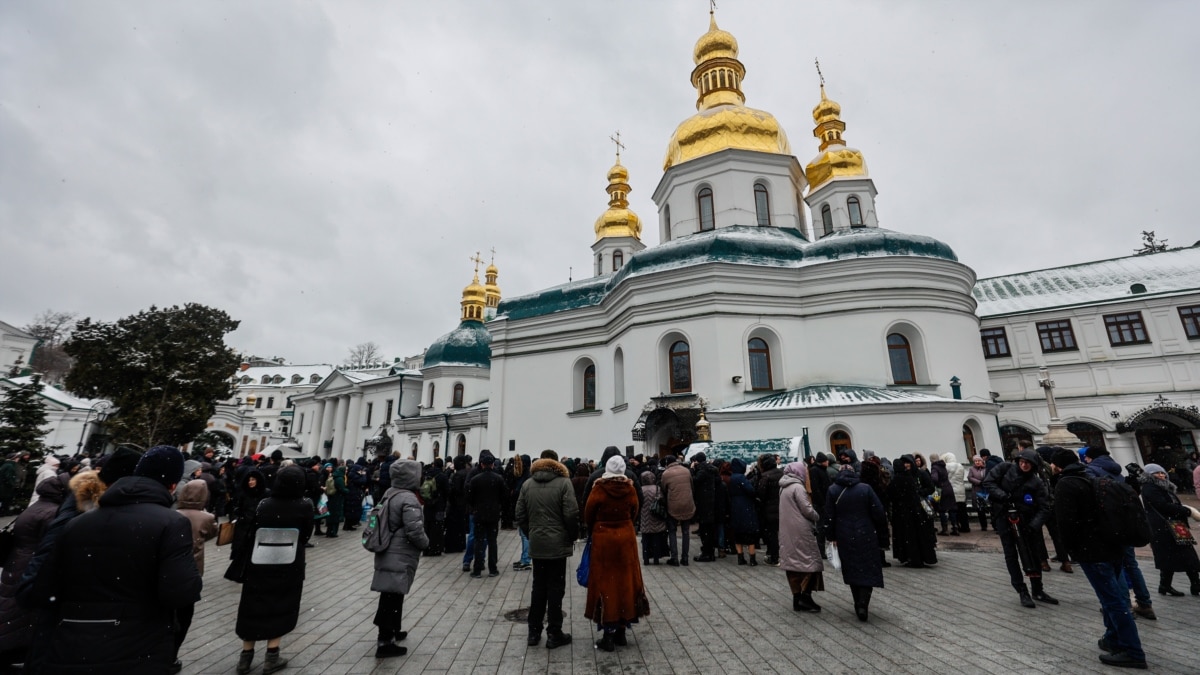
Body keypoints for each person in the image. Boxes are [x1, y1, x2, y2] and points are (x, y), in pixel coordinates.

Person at [37, 446, 203, 673]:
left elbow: (43, 587)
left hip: (71, 644)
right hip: (136, 647)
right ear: (173, 486)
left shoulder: (79, 522)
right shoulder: (170, 523)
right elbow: (180, 592)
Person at [1050, 448, 1147, 669]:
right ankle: (1113, 638)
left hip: (1093, 551)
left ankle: (1132, 650)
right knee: (1113, 597)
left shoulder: (1067, 483)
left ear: (1056, 465)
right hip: (1112, 546)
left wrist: (1072, 550)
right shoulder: (1092, 476)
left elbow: (1066, 524)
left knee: (1113, 601)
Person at [234, 465, 314, 674]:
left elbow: (253, 530)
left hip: (259, 562)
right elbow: (305, 535)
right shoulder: (304, 505)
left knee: (253, 603)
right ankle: (272, 654)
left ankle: (246, 655)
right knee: (281, 604)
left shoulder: (264, 504)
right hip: (288, 563)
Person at [0, 473, 68, 668]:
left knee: (8, 607)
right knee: (18, 613)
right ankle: (10, 652)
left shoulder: (36, 507)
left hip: (16, 562)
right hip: (28, 563)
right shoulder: (52, 513)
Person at [584, 455, 649, 651]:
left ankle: (608, 633)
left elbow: (588, 513)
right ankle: (622, 629)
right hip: (625, 538)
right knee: (625, 581)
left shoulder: (599, 488)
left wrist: (598, 525)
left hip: (604, 538)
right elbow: (635, 511)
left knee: (606, 583)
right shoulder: (629, 488)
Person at [515, 450, 578, 649]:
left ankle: (533, 632)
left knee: (538, 588)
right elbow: (571, 513)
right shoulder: (564, 483)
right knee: (555, 589)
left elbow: (520, 514)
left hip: (538, 543)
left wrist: (532, 531)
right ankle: (554, 633)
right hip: (557, 544)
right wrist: (571, 534)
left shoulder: (527, 484)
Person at [1083, 448, 1154, 619]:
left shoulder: (1091, 471)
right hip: (1126, 522)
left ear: (1089, 458)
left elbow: (1095, 497)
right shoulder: (1116, 469)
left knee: (1118, 565)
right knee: (1131, 564)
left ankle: (1125, 606)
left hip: (1109, 524)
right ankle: (1145, 603)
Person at [982, 448, 1057, 608]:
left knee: (1033, 554)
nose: (1024, 465)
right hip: (1005, 518)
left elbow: (1044, 506)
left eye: (1028, 463)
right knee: (1011, 555)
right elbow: (989, 482)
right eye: (1022, 462)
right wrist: (1003, 496)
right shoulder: (1005, 469)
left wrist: (1034, 525)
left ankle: (1038, 588)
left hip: (1027, 521)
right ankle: (1022, 590)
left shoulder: (1036, 482)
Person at [370, 459, 430, 658]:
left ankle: (392, 630)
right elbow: (414, 530)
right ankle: (385, 642)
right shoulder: (409, 499)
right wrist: (425, 543)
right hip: (399, 553)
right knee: (392, 597)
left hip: (389, 551)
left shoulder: (390, 493)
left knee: (391, 595)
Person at [824, 465, 887, 621]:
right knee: (867, 567)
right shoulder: (865, 488)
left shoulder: (833, 490)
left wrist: (831, 536)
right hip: (865, 532)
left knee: (852, 568)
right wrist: (880, 531)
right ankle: (863, 603)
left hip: (844, 533)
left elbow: (829, 516)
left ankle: (857, 601)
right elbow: (879, 512)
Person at [175, 478, 218, 671]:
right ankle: (172, 652)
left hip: (171, 566)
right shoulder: (206, 517)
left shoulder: (172, 513)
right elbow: (211, 534)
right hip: (193, 567)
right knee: (185, 612)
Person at [1139, 463, 1200, 596]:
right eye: (1157, 473)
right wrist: (1186, 511)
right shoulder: (1150, 488)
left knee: (1179, 556)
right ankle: (1184, 585)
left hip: (1173, 526)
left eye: (1162, 473)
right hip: (1164, 527)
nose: (1161, 475)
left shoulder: (1163, 487)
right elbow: (1163, 506)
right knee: (1176, 557)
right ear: (1150, 475)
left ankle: (1181, 585)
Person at [778, 461, 824, 612]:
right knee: (810, 562)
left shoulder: (783, 487)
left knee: (792, 565)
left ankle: (797, 598)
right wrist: (817, 516)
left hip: (787, 530)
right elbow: (807, 509)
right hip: (801, 530)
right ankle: (806, 597)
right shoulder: (798, 487)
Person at [888, 455, 938, 568]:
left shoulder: (921, 474)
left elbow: (931, 487)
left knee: (921, 531)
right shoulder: (903, 476)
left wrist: (920, 492)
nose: (906, 465)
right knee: (915, 533)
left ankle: (921, 554)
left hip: (919, 506)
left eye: (908, 463)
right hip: (910, 508)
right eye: (904, 463)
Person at [467, 450, 506, 578]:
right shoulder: (499, 479)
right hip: (493, 514)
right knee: (492, 542)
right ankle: (493, 569)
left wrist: (475, 508)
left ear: (482, 464)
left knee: (479, 541)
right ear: (493, 465)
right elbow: (503, 497)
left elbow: (470, 498)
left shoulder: (475, 479)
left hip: (479, 514)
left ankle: (477, 569)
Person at [659, 455, 695, 566]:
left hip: (673, 505)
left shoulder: (666, 474)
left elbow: (663, 489)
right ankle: (685, 558)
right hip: (687, 504)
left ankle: (674, 557)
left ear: (667, 463)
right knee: (685, 532)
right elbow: (691, 486)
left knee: (672, 531)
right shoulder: (686, 471)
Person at [726, 458, 760, 566]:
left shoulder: (731, 478)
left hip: (735, 505)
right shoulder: (741, 477)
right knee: (749, 532)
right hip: (745, 505)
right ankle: (752, 559)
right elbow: (750, 490)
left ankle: (740, 558)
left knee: (738, 533)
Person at [754, 454, 784, 566]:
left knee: (772, 534)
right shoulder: (781, 473)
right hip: (782, 507)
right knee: (781, 533)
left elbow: (761, 494)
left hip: (769, 509)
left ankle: (774, 557)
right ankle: (783, 555)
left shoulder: (765, 476)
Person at [690, 453, 721, 562]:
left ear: (697, 461)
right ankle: (710, 551)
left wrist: (692, 470)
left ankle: (707, 553)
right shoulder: (713, 470)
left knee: (705, 530)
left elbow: (694, 481)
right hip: (712, 503)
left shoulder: (702, 470)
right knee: (709, 529)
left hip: (704, 503)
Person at [638, 472, 668, 565]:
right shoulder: (657, 489)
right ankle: (656, 558)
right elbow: (663, 500)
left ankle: (646, 559)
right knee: (656, 538)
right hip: (656, 516)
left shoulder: (640, 490)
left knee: (645, 539)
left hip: (644, 517)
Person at [967, 455, 990, 531]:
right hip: (977, 490)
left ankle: (994, 524)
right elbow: (970, 478)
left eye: (978, 461)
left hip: (986, 490)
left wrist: (985, 482)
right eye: (975, 461)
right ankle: (983, 526)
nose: (977, 462)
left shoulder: (986, 468)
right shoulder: (971, 469)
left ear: (982, 461)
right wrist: (979, 482)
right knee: (980, 509)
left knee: (989, 507)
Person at [325, 459, 347, 538]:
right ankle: (333, 532)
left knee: (332, 515)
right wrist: (347, 491)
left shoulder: (334, 476)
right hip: (337, 498)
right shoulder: (340, 478)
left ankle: (329, 531)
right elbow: (342, 489)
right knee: (335, 515)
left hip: (332, 497)